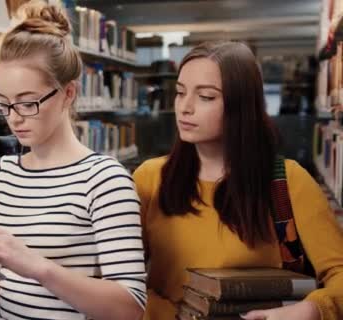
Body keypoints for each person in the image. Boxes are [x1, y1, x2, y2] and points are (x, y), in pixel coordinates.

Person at [0, 2, 147, 320]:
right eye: (4, 103)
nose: (14, 118)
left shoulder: (105, 179)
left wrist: (36, 266)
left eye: (28, 102)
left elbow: (129, 308)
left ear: (69, 93)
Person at [133, 41, 343, 320]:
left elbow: (339, 274)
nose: (185, 107)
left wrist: (311, 309)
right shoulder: (149, 179)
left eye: (206, 97)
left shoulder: (288, 182)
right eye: (180, 93)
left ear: (241, 105)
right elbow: (120, 279)